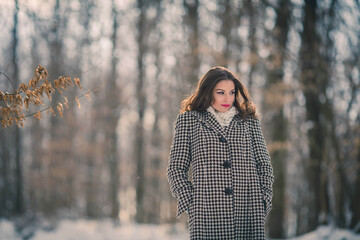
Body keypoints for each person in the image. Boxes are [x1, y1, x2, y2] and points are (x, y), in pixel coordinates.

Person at [167, 66, 274, 239]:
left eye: (232, 92)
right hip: (207, 215)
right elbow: (176, 169)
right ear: (208, 92)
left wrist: (263, 201)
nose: (228, 98)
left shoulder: (249, 122)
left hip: (248, 212)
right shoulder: (189, 121)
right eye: (220, 92)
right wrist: (191, 204)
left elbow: (264, 165)